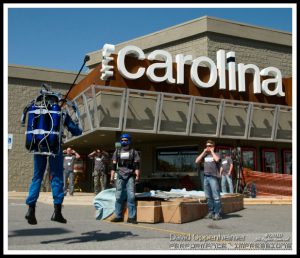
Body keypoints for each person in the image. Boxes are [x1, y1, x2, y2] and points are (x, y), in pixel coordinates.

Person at [22, 85, 82, 225]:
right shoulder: (60, 112)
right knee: (56, 178)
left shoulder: (36, 111)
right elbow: (76, 131)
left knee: (37, 177)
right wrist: (78, 125)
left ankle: (31, 210)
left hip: (37, 147)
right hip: (55, 147)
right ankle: (57, 212)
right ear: (55, 100)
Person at [110, 133, 140, 224]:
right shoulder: (117, 152)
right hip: (120, 176)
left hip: (130, 175)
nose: (124, 141)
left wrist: (137, 176)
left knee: (131, 196)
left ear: (129, 141)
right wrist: (111, 177)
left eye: (125, 140)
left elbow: (137, 166)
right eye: (122, 140)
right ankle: (118, 216)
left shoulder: (134, 152)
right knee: (118, 196)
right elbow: (113, 166)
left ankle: (131, 217)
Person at [195, 140, 222, 220]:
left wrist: (212, 152)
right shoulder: (205, 155)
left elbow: (217, 160)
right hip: (206, 177)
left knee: (216, 196)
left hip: (213, 177)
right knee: (208, 197)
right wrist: (204, 152)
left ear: (213, 146)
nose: (208, 147)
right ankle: (211, 212)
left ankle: (217, 213)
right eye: (207, 146)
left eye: (209, 145)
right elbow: (196, 161)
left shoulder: (217, 154)